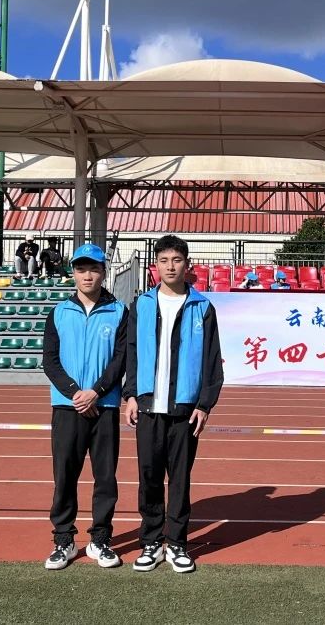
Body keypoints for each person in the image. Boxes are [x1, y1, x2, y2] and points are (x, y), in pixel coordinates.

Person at [124, 234, 224, 573]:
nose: (170, 267)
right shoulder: (141, 305)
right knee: (149, 477)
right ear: (156, 265)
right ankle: (151, 542)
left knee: (180, 480)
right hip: (148, 407)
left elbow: (212, 360)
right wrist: (131, 394)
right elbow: (132, 353)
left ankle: (178, 544)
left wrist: (205, 404)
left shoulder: (202, 308)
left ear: (187, 265)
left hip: (185, 410)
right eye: (164, 260)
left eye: (176, 260)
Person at [42, 243, 128, 571]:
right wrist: (76, 393)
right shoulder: (59, 312)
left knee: (105, 477)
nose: (87, 275)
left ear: (104, 272)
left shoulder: (119, 312)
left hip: (104, 406)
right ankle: (64, 539)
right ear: (73, 273)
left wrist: (97, 391)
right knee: (65, 475)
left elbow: (121, 358)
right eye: (81, 269)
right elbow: (50, 361)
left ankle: (100, 539)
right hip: (67, 406)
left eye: (93, 269)